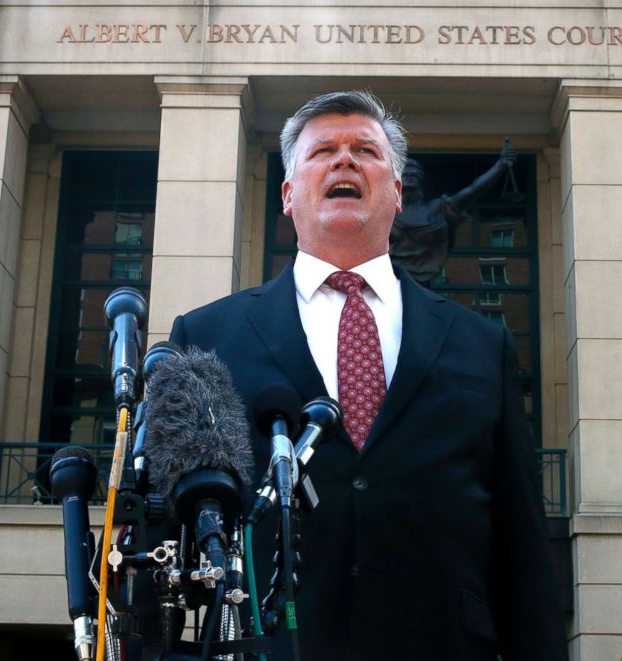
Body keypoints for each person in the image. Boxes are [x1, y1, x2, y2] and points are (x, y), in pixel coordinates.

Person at [168, 90, 566, 660]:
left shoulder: (484, 345)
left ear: (398, 193)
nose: (345, 160)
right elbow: (170, 534)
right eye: (322, 151)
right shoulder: (206, 337)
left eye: (365, 150)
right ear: (288, 193)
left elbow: (523, 544)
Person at [390, 143, 517, 284]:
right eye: (405, 174)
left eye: (413, 174)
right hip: (392, 280)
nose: (409, 176)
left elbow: (473, 190)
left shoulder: (436, 209)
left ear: (420, 179)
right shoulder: (385, 214)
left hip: (424, 278)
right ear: (397, 180)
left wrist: (500, 166)